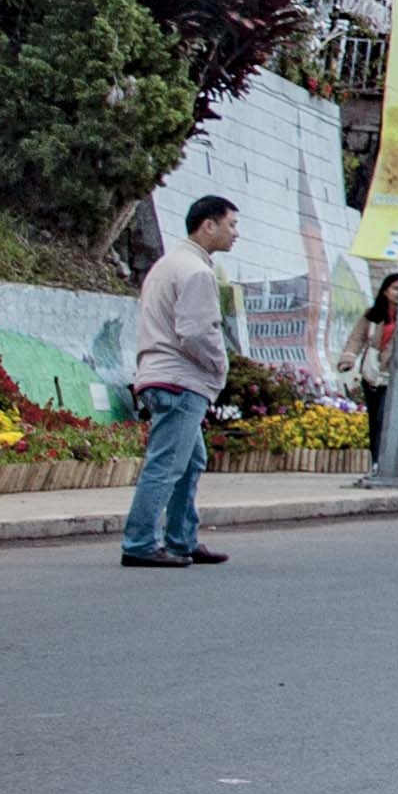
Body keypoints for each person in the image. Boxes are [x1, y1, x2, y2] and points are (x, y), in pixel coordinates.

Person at [119, 194, 237, 570]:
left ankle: (181, 538)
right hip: (180, 380)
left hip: (161, 374)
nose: (235, 234)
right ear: (209, 225)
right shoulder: (197, 272)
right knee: (168, 462)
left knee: (189, 461)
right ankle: (140, 542)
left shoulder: (168, 264)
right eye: (231, 224)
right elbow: (197, 333)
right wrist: (220, 366)